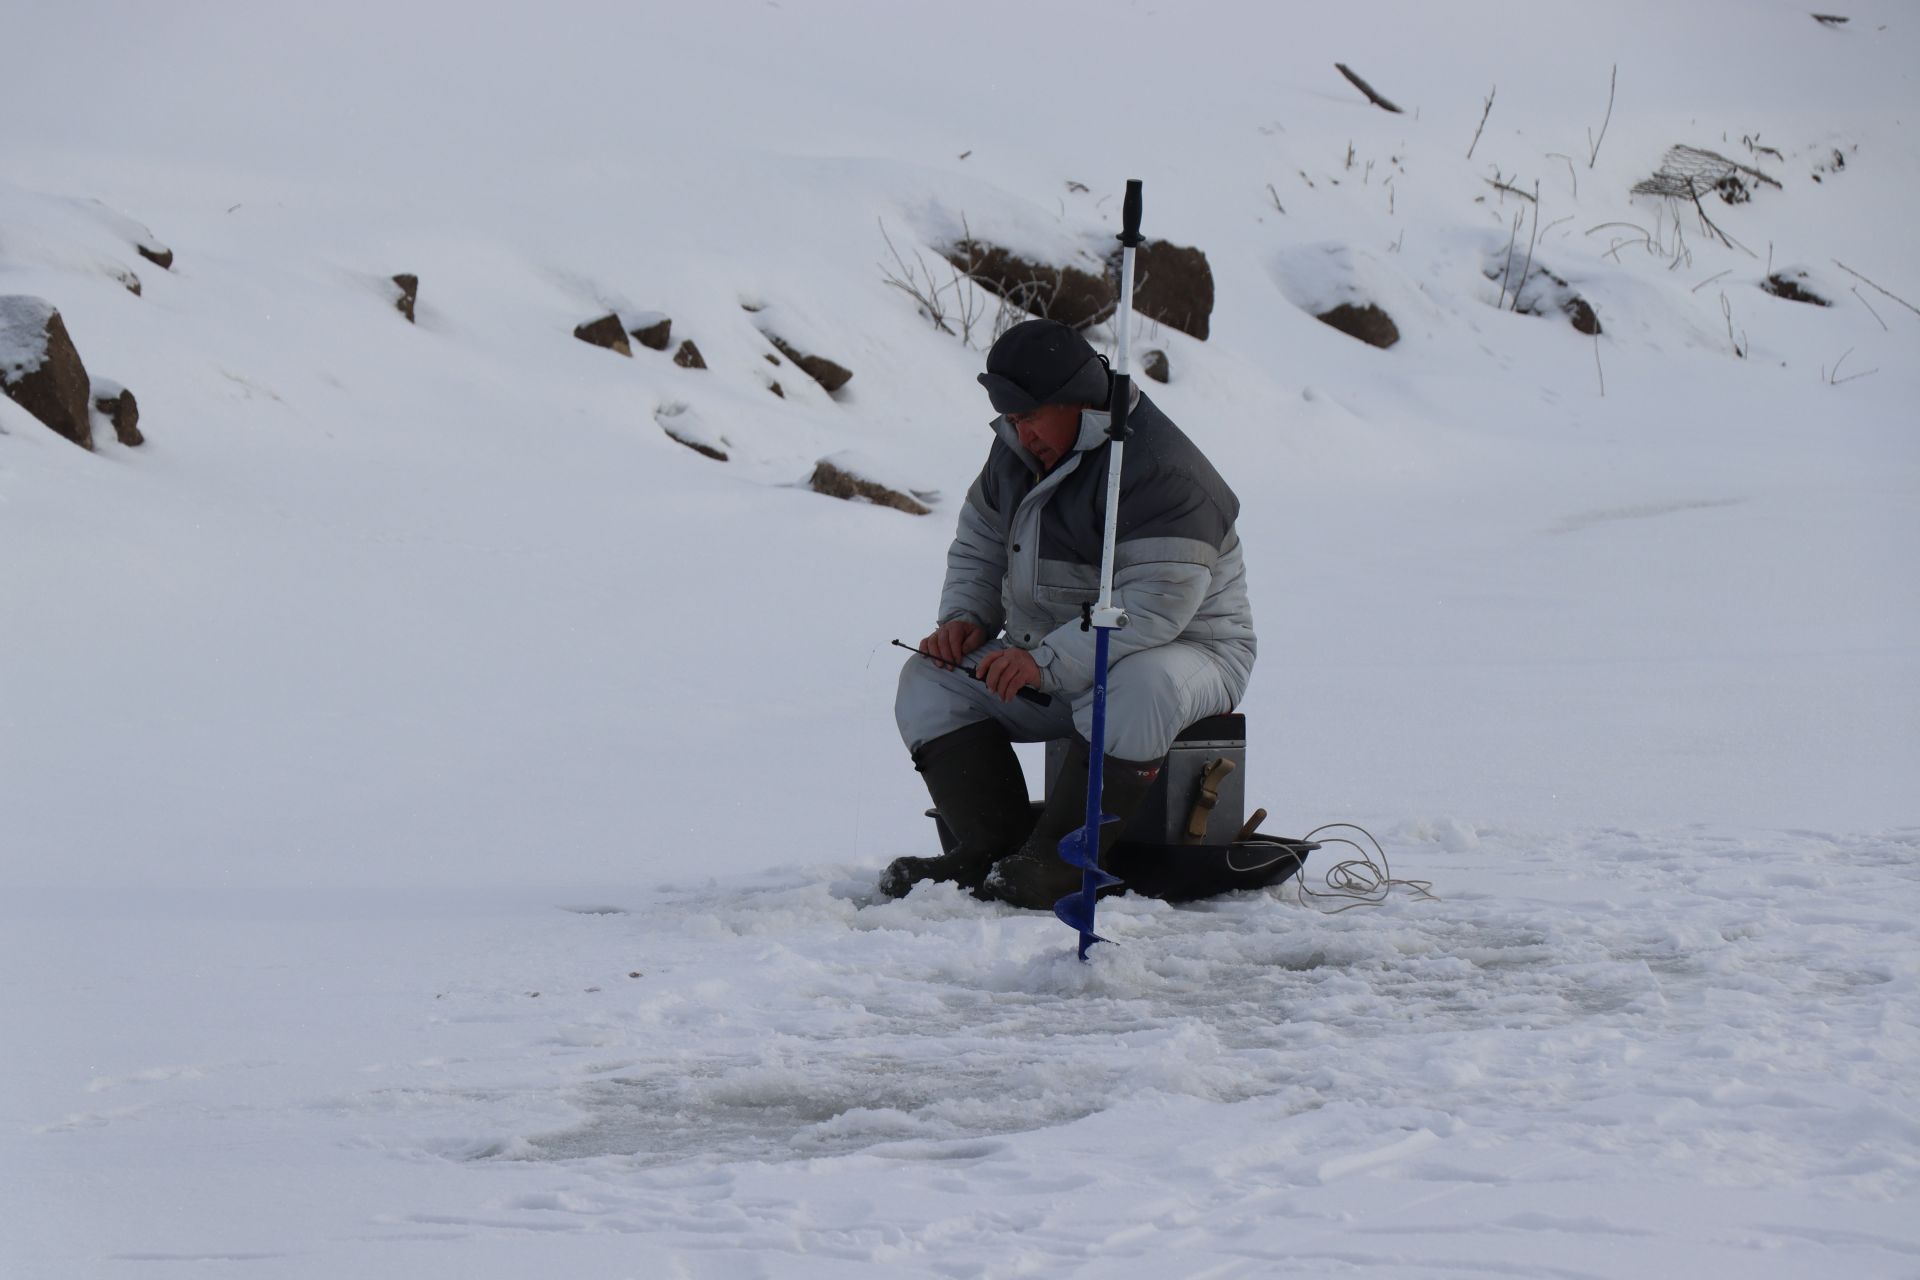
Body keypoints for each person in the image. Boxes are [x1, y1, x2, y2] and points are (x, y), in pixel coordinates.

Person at [881, 318, 1256, 909]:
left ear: (1079, 402)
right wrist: (965, 618)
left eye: (1030, 418)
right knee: (930, 679)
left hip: (1189, 654)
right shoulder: (1016, 451)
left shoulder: (1165, 471)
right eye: (1010, 419)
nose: (1020, 433)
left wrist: (1043, 662)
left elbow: (1153, 609)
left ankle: (1061, 861)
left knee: (1137, 683)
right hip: (1050, 658)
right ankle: (991, 850)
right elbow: (979, 543)